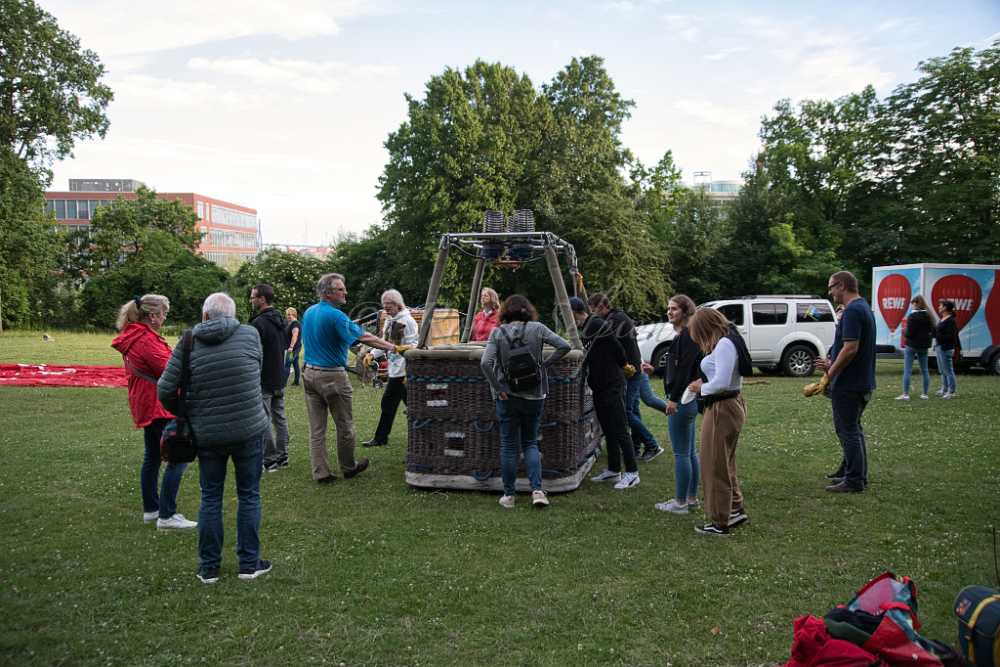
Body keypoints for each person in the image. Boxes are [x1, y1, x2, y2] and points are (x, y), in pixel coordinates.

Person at [157, 293, 271, 584]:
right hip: (249, 427)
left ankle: (209, 567)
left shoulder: (188, 341)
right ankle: (249, 564)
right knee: (249, 495)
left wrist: (185, 412)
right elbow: (255, 370)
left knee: (211, 496)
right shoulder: (250, 334)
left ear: (205, 315)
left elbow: (165, 389)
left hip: (207, 433)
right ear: (232, 315)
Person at [301, 273, 399, 484]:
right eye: (340, 289)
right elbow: (364, 337)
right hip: (331, 376)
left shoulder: (310, 312)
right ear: (328, 293)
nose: (345, 292)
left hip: (309, 374)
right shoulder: (336, 316)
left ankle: (321, 473)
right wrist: (393, 347)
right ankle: (348, 467)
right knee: (345, 425)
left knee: (316, 429)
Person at [111, 294, 197, 531]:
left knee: (152, 457)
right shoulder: (145, 339)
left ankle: (152, 510)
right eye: (163, 314)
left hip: (146, 401)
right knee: (178, 454)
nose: (165, 318)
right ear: (152, 316)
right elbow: (170, 370)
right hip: (158, 404)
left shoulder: (134, 335)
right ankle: (167, 515)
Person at [481, 295, 571, 508]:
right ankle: (537, 491)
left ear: (505, 311)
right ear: (527, 310)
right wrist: (544, 365)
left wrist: (498, 387)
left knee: (508, 445)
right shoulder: (538, 328)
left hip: (507, 397)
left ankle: (509, 496)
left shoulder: (497, 332)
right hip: (534, 395)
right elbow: (564, 346)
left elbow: (485, 362)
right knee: (530, 442)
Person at [687, 308, 748, 536]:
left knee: (713, 464)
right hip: (729, 404)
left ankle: (720, 520)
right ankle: (735, 508)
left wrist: (700, 387)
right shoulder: (730, 340)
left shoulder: (724, 344)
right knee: (725, 461)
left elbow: (722, 382)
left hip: (722, 407)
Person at [570, 298, 641, 490]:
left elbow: (617, 347)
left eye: (568, 314)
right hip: (599, 385)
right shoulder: (585, 327)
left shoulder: (595, 323)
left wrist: (624, 365)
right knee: (607, 429)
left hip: (612, 383)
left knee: (620, 428)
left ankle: (632, 472)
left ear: (575, 311)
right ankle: (613, 469)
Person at [816, 271, 876, 494]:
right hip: (861, 381)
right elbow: (848, 347)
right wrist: (831, 361)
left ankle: (854, 480)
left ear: (841, 285)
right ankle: (852, 473)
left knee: (848, 430)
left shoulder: (852, 311)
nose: (830, 292)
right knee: (853, 429)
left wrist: (829, 374)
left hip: (849, 383)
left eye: (831, 287)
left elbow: (851, 348)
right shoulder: (863, 307)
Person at [587, 293, 662, 461]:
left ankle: (652, 444)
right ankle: (636, 447)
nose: (592, 314)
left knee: (626, 413)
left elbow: (607, 345)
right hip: (633, 369)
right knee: (632, 410)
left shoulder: (614, 320)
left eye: (593, 310)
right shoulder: (617, 317)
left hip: (630, 372)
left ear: (601, 307)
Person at [654, 295, 702, 515]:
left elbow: (684, 371)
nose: (669, 312)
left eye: (674, 309)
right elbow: (676, 367)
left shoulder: (688, 336)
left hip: (683, 401)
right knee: (690, 452)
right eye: (668, 308)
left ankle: (680, 503)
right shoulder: (685, 335)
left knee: (682, 453)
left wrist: (673, 399)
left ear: (685, 311)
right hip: (687, 401)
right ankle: (691, 499)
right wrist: (654, 370)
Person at [362, 290, 419, 447]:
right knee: (414, 406)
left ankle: (380, 438)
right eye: (384, 305)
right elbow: (384, 343)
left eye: (389, 304)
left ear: (398, 304)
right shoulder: (389, 320)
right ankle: (427, 431)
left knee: (388, 403)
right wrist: (372, 354)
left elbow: (415, 345)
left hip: (403, 371)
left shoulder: (408, 321)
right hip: (394, 369)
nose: (386, 308)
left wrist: (407, 350)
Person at [250, 284, 290, 473]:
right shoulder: (281, 320)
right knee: (279, 418)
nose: (251, 300)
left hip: (264, 377)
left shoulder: (259, 323)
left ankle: (270, 459)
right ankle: (282, 456)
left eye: (253, 297)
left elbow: (253, 352)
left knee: (264, 419)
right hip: (279, 376)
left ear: (262, 299)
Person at [896, 295, 935, 401]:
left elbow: (909, 333)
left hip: (911, 345)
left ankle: (905, 394)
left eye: (912, 304)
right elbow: (933, 331)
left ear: (916, 304)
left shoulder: (912, 316)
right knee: (925, 370)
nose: (911, 306)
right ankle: (925, 394)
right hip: (924, 346)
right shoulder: (929, 316)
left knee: (907, 370)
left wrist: (904, 331)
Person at [934, 299, 959, 399]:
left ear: (945, 308)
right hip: (939, 347)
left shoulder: (951, 321)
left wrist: (937, 335)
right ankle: (944, 389)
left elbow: (951, 336)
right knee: (942, 370)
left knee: (948, 370)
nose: (939, 307)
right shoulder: (942, 319)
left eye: (940, 305)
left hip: (946, 348)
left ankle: (951, 391)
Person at [284, 307, 302, 386]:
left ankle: (283, 382)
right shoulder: (290, 323)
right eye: (287, 315)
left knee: (287, 364)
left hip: (293, 349)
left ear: (294, 314)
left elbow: (295, 335)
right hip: (293, 348)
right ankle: (296, 381)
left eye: (289, 314)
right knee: (295, 363)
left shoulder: (295, 324)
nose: (287, 316)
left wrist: (291, 347)